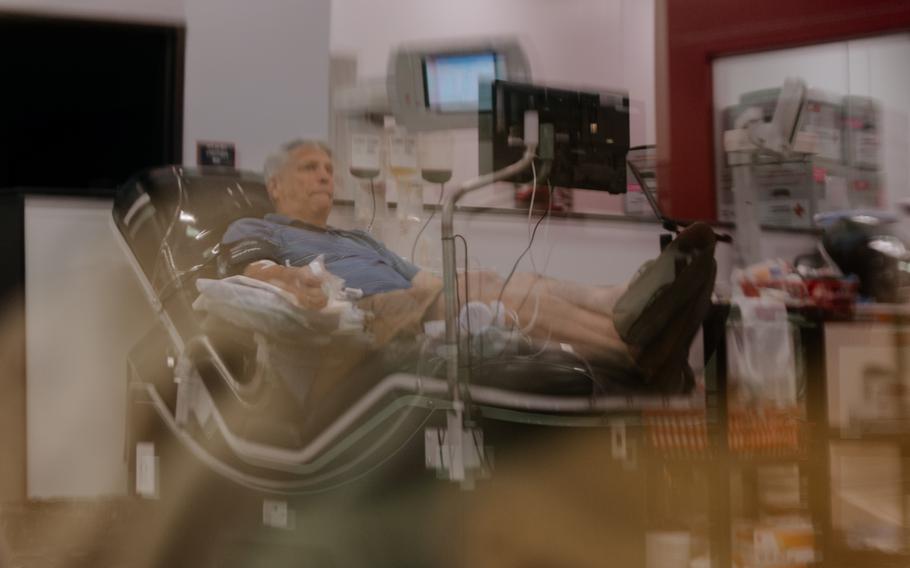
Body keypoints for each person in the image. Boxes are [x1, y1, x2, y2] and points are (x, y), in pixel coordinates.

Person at [222, 139, 717, 393]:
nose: (326, 176)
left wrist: (475, 285)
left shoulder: (356, 236)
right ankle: (635, 351)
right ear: (276, 187)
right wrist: (297, 280)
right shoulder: (256, 229)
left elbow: (428, 283)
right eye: (311, 168)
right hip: (366, 315)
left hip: (407, 304)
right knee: (479, 289)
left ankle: (617, 301)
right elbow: (253, 274)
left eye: (329, 169)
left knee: (494, 282)